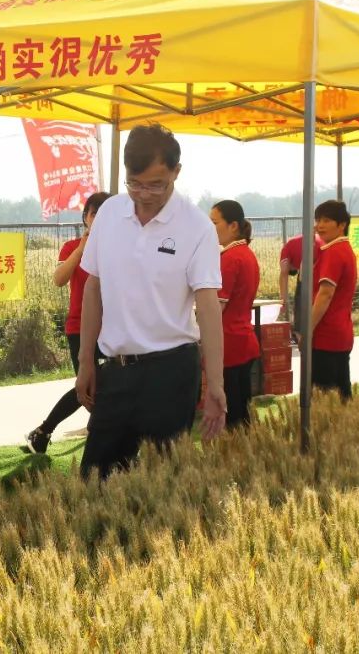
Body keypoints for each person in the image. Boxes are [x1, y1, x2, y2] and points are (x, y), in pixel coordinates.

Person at [75, 123, 228, 479]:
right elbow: (93, 289)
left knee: (162, 480)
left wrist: (216, 383)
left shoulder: (196, 227)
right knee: (94, 478)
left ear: (176, 172)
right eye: (134, 183)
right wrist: (86, 361)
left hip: (171, 372)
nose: (143, 194)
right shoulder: (111, 213)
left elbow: (207, 308)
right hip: (116, 369)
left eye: (156, 184)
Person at [25, 192, 111, 454]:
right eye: (94, 213)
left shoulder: (118, 247)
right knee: (86, 386)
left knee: (108, 385)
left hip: (114, 329)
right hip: (79, 328)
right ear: (85, 217)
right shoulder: (71, 246)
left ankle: (95, 432)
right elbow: (59, 279)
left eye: (105, 214)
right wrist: (83, 248)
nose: (98, 219)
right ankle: (43, 430)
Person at [209, 200, 261, 429]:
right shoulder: (246, 254)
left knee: (232, 413)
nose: (211, 228)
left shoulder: (229, 259)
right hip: (243, 340)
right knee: (242, 410)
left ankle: (238, 457)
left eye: (214, 222)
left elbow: (216, 308)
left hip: (228, 343)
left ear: (232, 226)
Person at [309, 199, 357, 400]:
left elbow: (325, 294)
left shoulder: (334, 252)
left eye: (326, 220)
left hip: (326, 335)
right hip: (340, 333)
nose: (320, 225)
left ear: (342, 224)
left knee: (326, 400)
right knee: (341, 397)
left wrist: (307, 328)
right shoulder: (343, 249)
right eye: (318, 220)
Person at [278, 232, 323, 340]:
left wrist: (283, 300)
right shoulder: (318, 240)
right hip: (322, 275)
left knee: (301, 310)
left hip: (311, 273)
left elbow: (284, 272)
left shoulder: (288, 248)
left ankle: (301, 336)